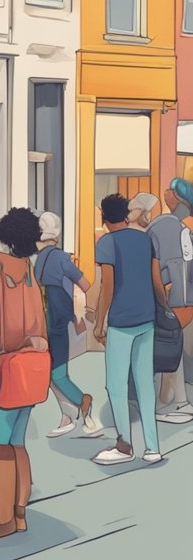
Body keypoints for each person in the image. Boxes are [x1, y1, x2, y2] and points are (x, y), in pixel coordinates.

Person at [0, 209, 48, 542]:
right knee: (17, 440)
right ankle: (19, 512)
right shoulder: (28, 269)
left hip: (4, 363)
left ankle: (2, 517)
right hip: (33, 362)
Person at [92, 194, 170, 465]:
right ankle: (152, 447)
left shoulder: (106, 243)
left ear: (104, 217)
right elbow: (156, 281)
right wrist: (164, 307)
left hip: (121, 322)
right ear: (126, 214)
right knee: (145, 383)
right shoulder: (145, 239)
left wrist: (99, 322)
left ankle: (124, 445)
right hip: (146, 319)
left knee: (116, 384)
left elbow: (107, 287)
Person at [35, 212, 101, 438]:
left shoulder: (40, 260)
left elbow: (82, 283)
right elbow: (84, 283)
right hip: (59, 320)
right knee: (55, 373)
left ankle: (80, 402)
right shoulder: (60, 257)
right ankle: (71, 411)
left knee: (57, 374)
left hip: (50, 322)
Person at [145, 188, 193, 424]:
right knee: (174, 345)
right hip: (186, 301)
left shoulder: (157, 230)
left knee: (164, 346)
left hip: (170, 301)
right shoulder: (182, 230)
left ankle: (173, 402)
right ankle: (176, 400)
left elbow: (155, 272)